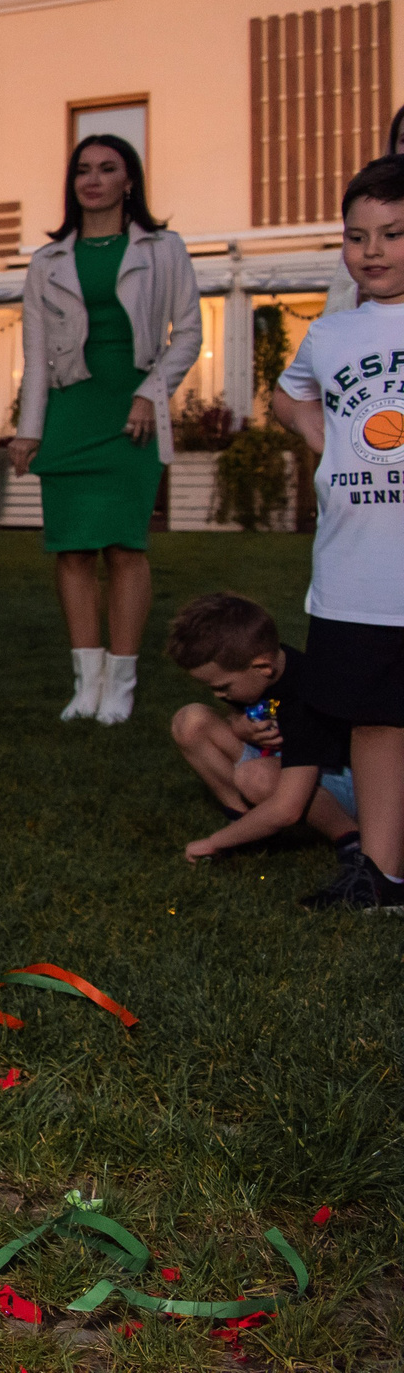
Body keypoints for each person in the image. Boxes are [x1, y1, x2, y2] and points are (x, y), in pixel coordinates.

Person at [9, 136, 200, 726]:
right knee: (70, 552)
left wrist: (151, 392)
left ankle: (122, 683)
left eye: (107, 168)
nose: (93, 179)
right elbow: (35, 354)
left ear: (129, 181)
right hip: (71, 412)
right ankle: (85, 686)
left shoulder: (165, 248)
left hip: (133, 414)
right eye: (83, 169)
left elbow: (187, 334)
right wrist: (28, 429)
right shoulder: (47, 262)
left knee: (124, 546)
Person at [270, 154, 404, 913]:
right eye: (358, 236)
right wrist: (329, 439)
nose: (374, 250)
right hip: (353, 571)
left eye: (393, 233)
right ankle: (381, 873)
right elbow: (288, 399)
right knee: (376, 719)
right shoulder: (331, 332)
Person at [164, 593, 361, 867]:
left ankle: (350, 839)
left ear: (263, 667)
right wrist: (238, 725)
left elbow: (288, 808)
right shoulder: (261, 671)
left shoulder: (305, 697)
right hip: (288, 763)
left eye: (223, 687)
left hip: (350, 783)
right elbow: (245, 712)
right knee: (190, 721)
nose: (219, 695)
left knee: (256, 777)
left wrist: (214, 841)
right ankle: (247, 824)